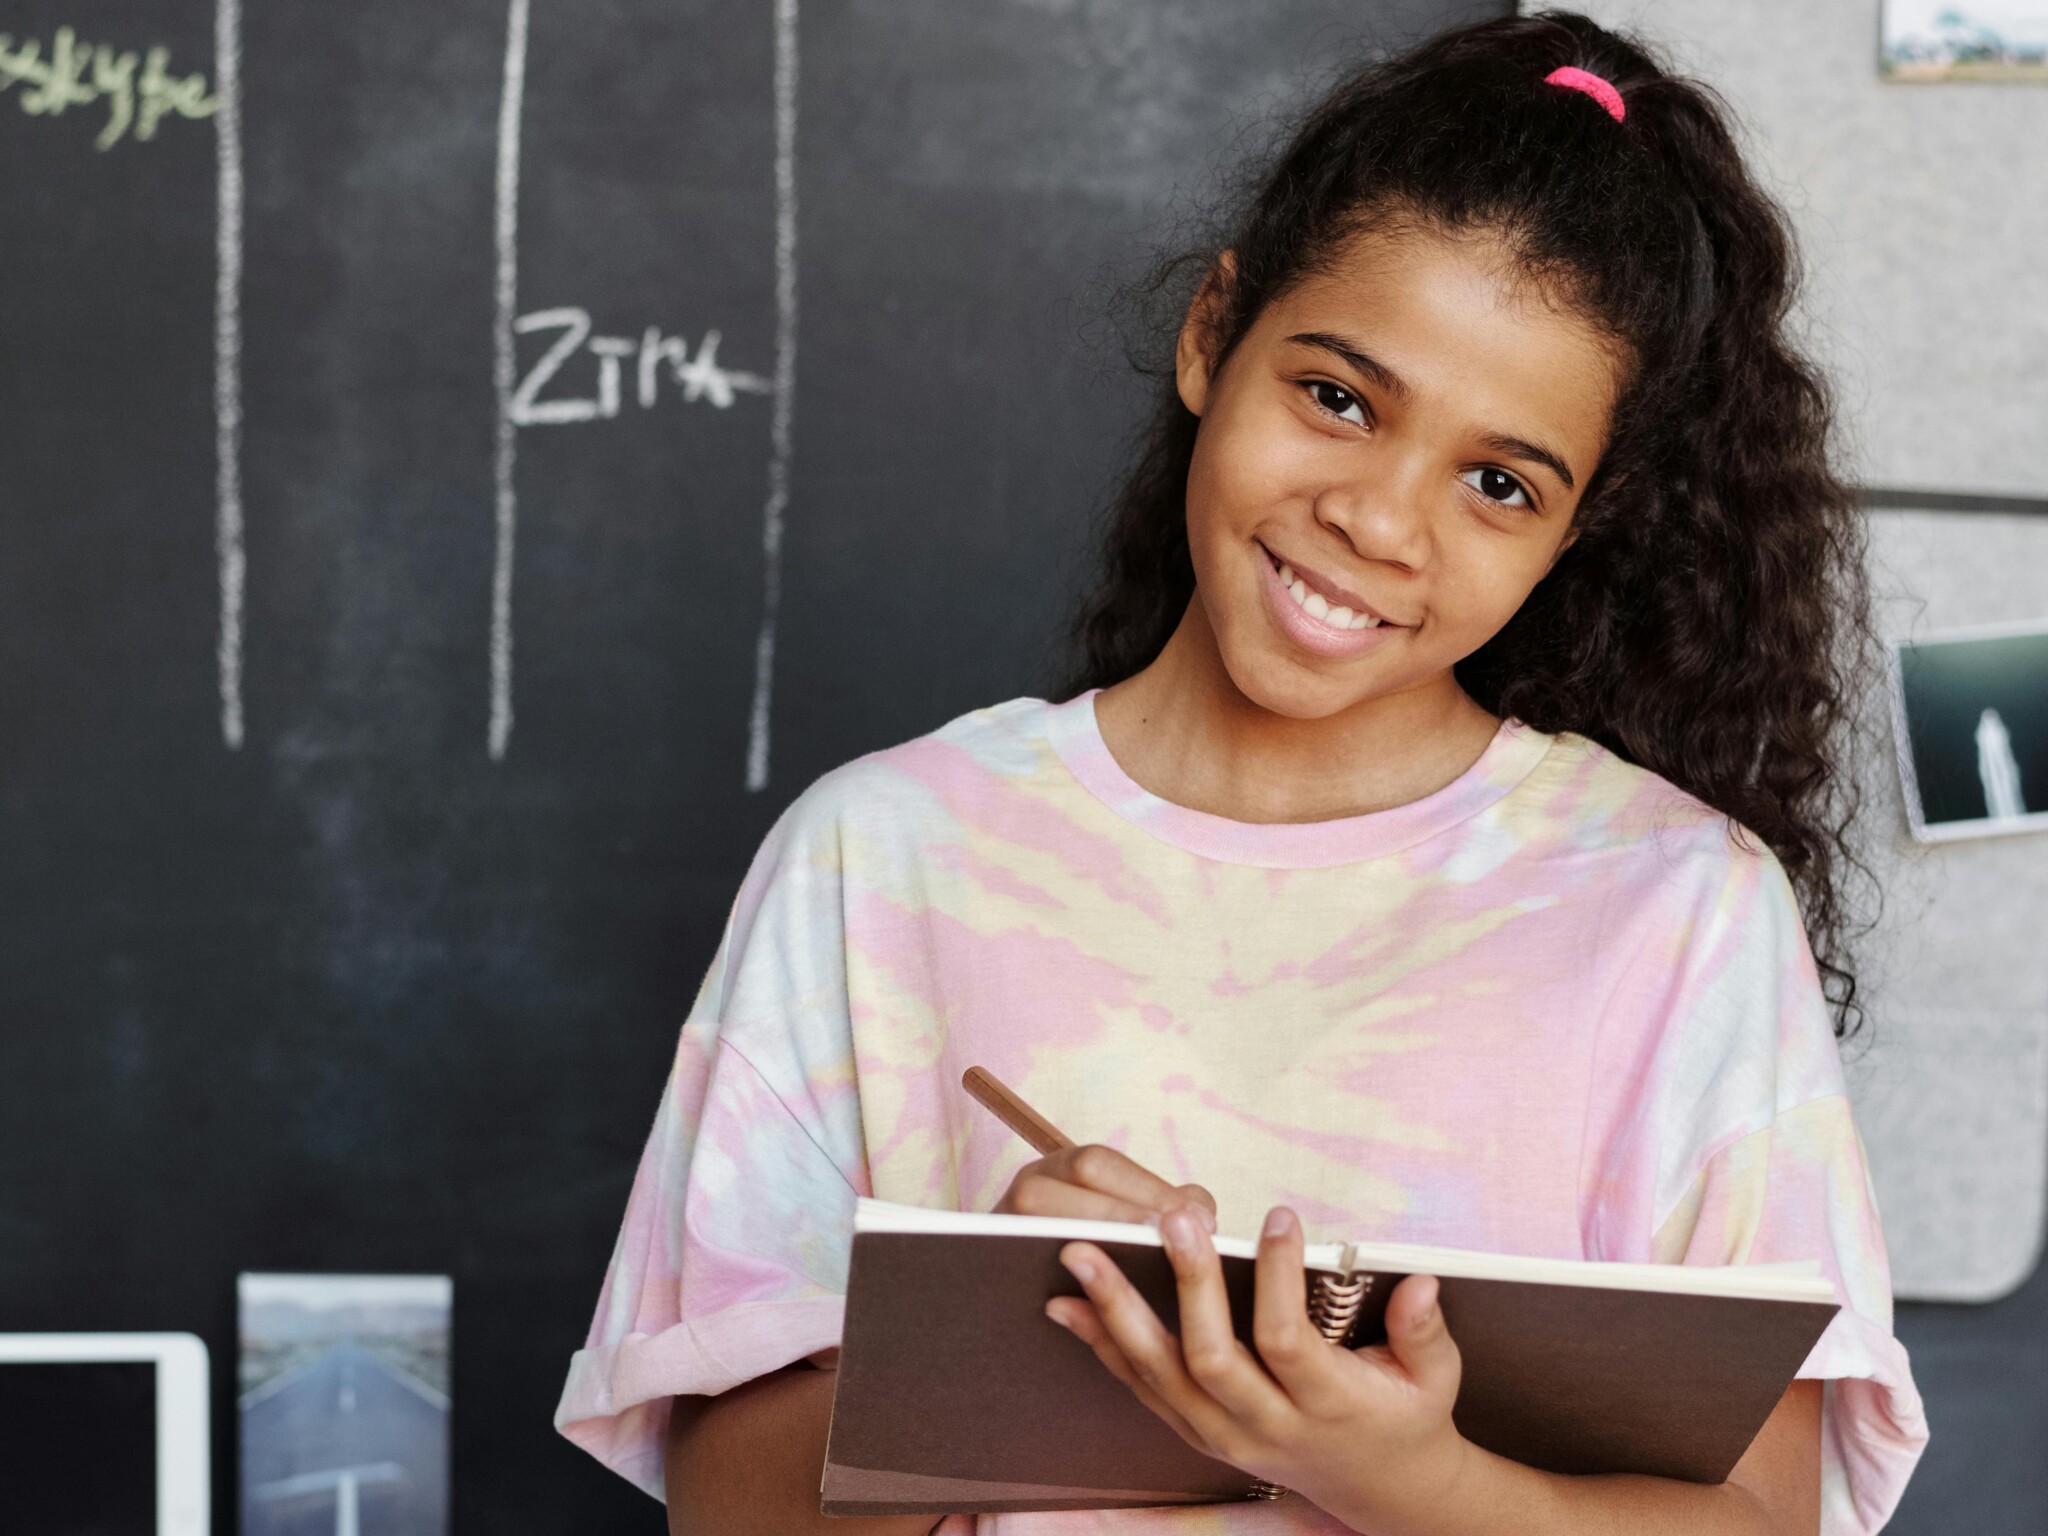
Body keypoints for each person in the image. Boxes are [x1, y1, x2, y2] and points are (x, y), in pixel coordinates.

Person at [553, 11, 1927, 1534]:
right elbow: (720, 1508)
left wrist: (1410, 1478)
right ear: (1216, 335)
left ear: (1576, 527)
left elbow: (1766, 1520)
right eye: (1339, 396)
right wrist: (987, 1344)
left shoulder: (1680, 913)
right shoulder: (882, 859)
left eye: (1497, 482)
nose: (1381, 520)